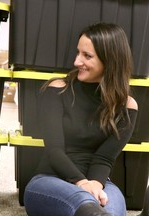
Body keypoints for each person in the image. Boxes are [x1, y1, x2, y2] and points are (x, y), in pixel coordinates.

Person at [23, 23, 138, 216]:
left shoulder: (127, 106)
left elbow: (105, 158)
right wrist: (82, 184)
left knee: (111, 207)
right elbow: (54, 150)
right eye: (78, 53)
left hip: (97, 182)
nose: (77, 62)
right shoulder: (58, 89)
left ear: (109, 61)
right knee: (84, 203)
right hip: (50, 181)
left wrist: (94, 184)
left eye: (87, 56)